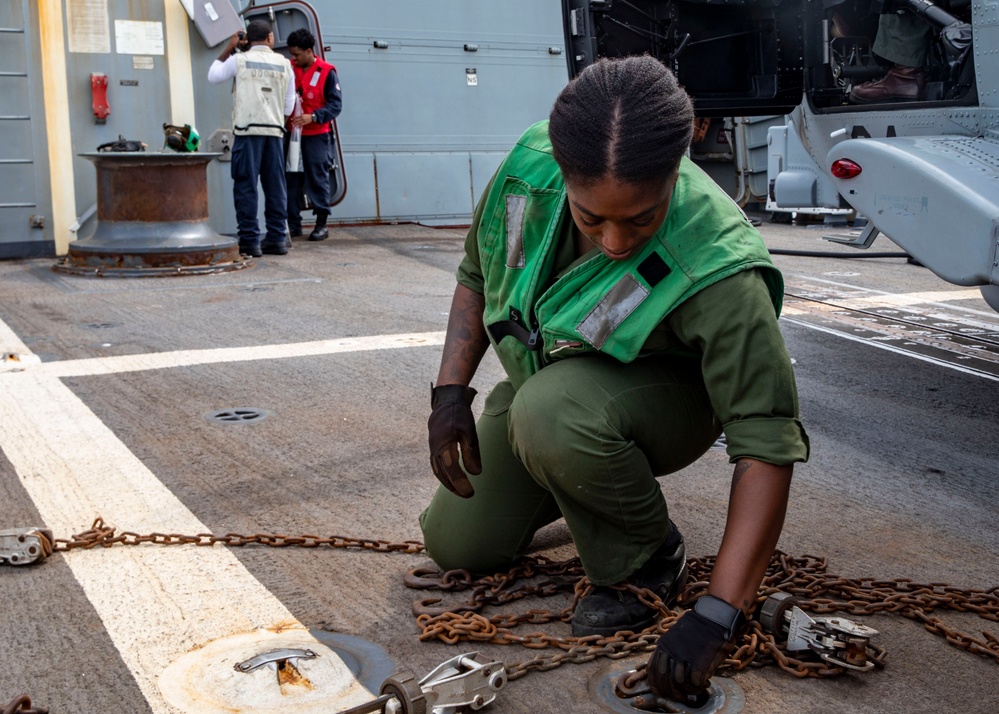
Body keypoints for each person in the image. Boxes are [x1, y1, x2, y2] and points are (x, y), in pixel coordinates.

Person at [419, 55, 809, 703]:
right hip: (551, 383)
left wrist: (719, 611)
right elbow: (475, 274)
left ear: (675, 173)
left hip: (659, 402)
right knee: (458, 543)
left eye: (641, 218)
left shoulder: (719, 262)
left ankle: (644, 555)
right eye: (589, 217)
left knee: (552, 413)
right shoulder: (527, 170)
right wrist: (449, 394)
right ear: (564, 176)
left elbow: (766, 442)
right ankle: (570, 472)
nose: (614, 241)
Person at [208, 20, 295, 257]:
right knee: (275, 187)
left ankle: (250, 241)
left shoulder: (239, 60)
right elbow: (289, 107)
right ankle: (277, 239)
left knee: (246, 186)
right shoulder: (285, 64)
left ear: (248, 39)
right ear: (269, 38)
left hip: (247, 133)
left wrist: (230, 48)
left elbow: (213, 76)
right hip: (274, 134)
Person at [285, 28, 343, 242]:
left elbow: (336, 105)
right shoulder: (289, 69)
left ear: (309, 51)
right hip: (291, 135)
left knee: (318, 178)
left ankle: (321, 224)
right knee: (290, 177)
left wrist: (314, 117)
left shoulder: (327, 72)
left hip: (316, 134)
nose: (294, 58)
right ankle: (293, 224)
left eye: (297, 54)